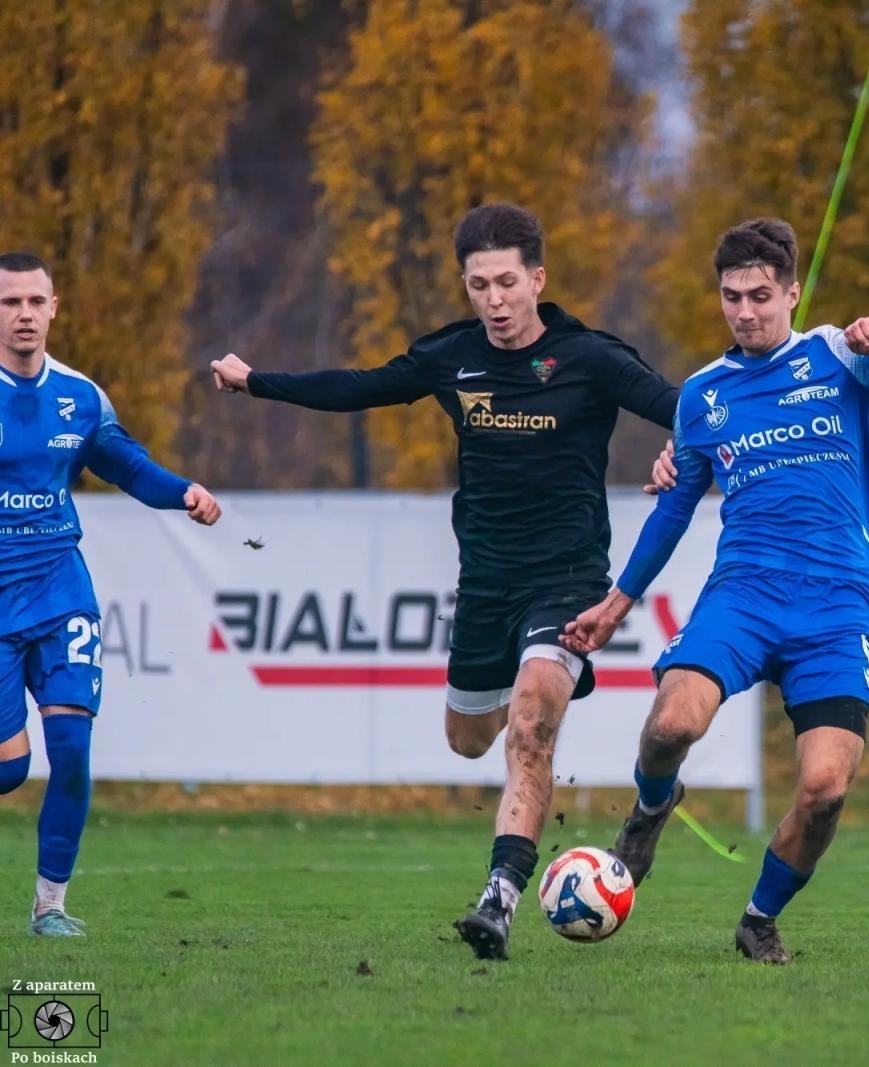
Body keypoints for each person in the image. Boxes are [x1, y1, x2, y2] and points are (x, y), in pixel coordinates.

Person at [209, 203, 678, 960]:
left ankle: (499, 899)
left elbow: (687, 408)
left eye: (507, 283)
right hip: (486, 583)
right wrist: (256, 381)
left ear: (538, 279)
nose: (495, 300)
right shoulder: (452, 357)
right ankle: (525, 727)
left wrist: (680, 451)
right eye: (478, 285)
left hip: (568, 578)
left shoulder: (589, 357)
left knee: (531, 724)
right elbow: (360, 386)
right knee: (467, 741)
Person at [562, 217, 869, 963]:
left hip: (837, 605)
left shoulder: (841, 356)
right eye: (731, 297)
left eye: (759, 296)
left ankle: (758, 918)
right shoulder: (702, 396)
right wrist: (618, 602)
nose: (744, 312)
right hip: (744, 594)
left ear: (792, 293)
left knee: (825, 789)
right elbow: (673, 511)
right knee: (672, 724)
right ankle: (652, 805)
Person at [0, 251, 222, 936]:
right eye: (10, 302)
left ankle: (51, 907)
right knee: (10, 769)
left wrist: (183, 491)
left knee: (72, 748)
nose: (24, 314)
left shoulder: (81, 396)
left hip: (61, 590)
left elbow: (126, 465)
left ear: (54, 308)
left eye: (35, 301)